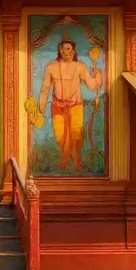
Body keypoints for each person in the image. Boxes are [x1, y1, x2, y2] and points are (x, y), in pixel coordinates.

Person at [36, 32, 103, 171]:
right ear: (59, 50)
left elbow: (92, 85)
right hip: (58, 106)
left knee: (76, 135)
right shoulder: (51, 67)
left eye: (69, 48)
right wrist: (40, 110)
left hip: (75, 106)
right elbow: (45, 89)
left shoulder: (80, 67)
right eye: (63, 49)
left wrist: (98, 75)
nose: (66, 51)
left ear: (73, 50)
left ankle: (76, 162)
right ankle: (65, 160)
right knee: (60, 136)